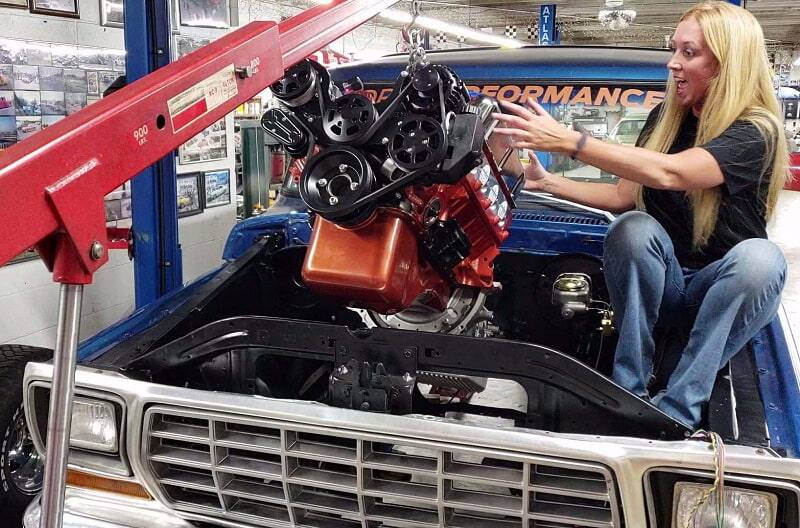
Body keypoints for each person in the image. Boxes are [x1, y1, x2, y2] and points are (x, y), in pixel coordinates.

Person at [492, 1, 789, 428]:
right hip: (663, 285)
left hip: (718, 293)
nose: (674, 64)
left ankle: (678, 410)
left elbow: (673, 174)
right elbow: (622, 196)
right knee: (633, 226)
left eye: (689, 53)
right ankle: (628, 390)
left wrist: (572, 142)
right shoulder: (665, 119)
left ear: (727, 64)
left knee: (762, 258)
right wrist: (546, 182)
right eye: (675, 50)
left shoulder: (756, 130)